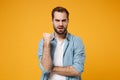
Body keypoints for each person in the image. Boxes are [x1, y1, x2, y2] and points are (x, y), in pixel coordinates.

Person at [38, 6, 85, 80]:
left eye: (63, 20)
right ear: (52, 21)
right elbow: (46, 68)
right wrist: (47, 44)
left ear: (68, 21)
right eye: (57, 20)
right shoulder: (44, 42)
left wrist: (51, 68)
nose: (60, 24)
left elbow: (77, 70)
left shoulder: (77, 41)